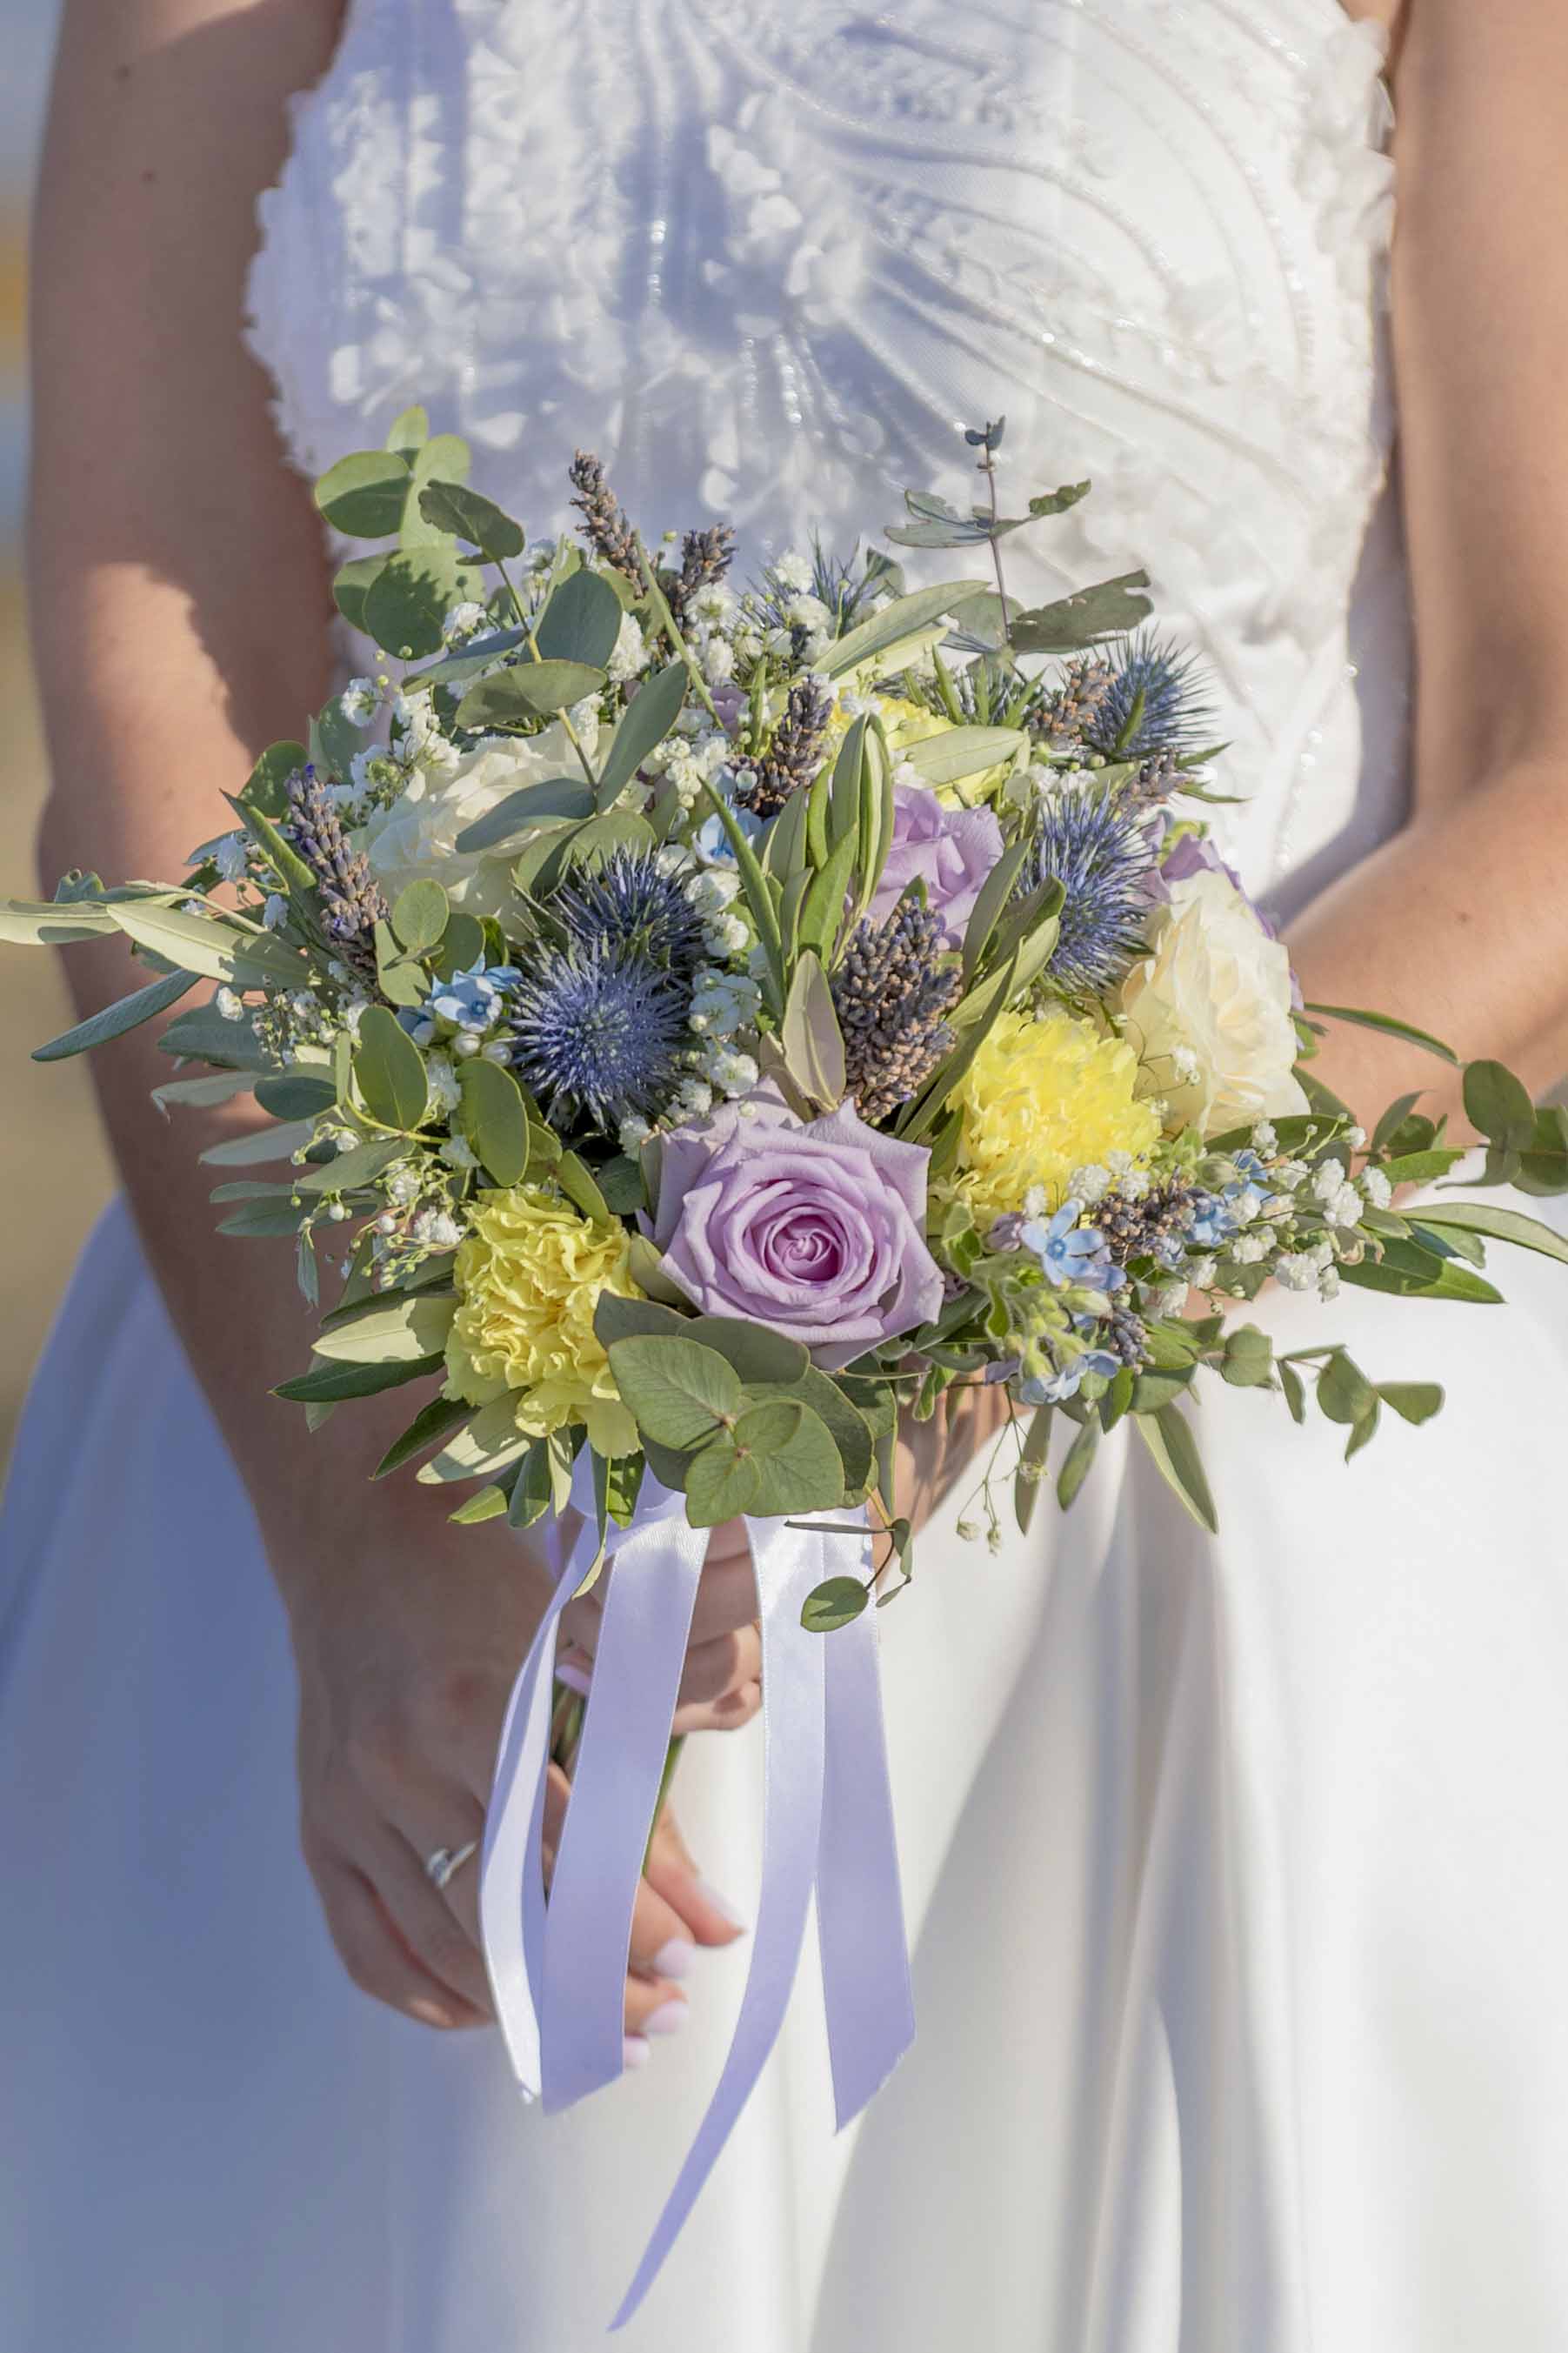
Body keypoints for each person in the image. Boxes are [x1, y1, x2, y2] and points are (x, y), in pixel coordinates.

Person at [4, 0, 1567, 2343]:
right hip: (356, 1409)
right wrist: (359, 1520)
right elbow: (164, 715)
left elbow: (1544, 764)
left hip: (1192, 1507)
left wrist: (1039, 1279)